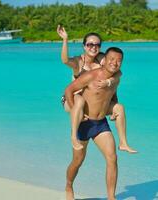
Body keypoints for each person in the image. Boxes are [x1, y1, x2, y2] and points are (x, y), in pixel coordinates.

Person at [57, 25, 137, 153]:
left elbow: (118, 72)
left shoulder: (101, 59)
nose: (93, 47)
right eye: (90, 44)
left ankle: (123, 143)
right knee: (79, 101)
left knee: (119, 108)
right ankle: (73, 138)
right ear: (84, 46)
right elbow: (65, 60)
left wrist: (109, 81)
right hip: (72, 97)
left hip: (91, 101)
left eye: (97, 45)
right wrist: (65, 39)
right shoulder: (79, 62)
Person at [64, 47, 124, 200]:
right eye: (111, 59)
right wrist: (74, 110)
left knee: (112, 158)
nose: (115, 63)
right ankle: (69, 185)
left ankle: (111, 197)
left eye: (119, 60)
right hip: (84, 123)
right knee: (77, 161)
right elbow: (69, 89)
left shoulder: (116, 76)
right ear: (104, 61)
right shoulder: (91, 75)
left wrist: (114, 107)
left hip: (100, 124)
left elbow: (113, 91)